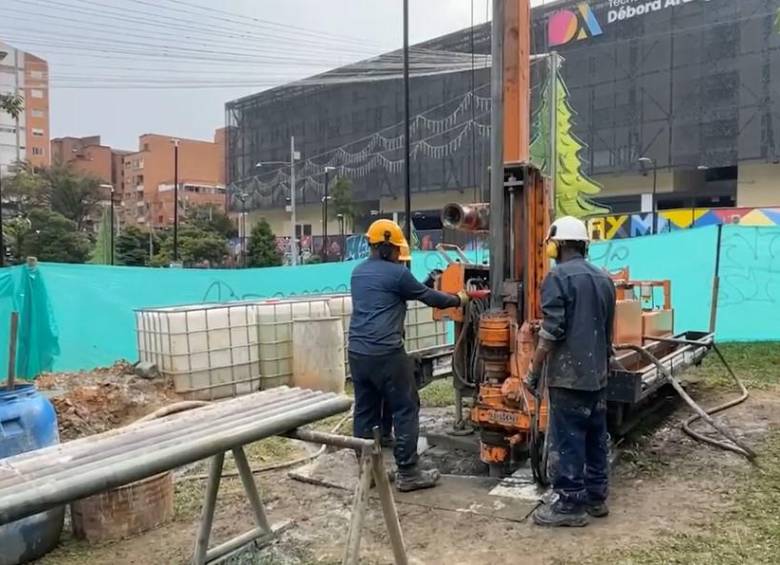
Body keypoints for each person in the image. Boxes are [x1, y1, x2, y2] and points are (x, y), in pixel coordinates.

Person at [349, 219, 468, 492]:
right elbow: (429, 298)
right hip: (387, 353)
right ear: (387, 247)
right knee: (406, 407)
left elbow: (399, 293)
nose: (398, 257)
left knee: (365, 410)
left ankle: (368, 473)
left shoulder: (358, 273)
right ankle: (408, 472)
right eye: (396, 251)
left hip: (357, 354)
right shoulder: (397, 274)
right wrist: (458, 299)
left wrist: (424, 284)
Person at [527, 216, 616, 527]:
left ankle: (570, 505)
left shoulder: (557, 278)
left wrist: (534, 369)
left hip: (568, 378)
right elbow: (608, 333)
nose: (550, 248)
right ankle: (596, 497)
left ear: (561, 244)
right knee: (595, 437)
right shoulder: (604, 278)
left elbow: (551, 331)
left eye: (552, 242)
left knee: (569, 439)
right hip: (598, 376)